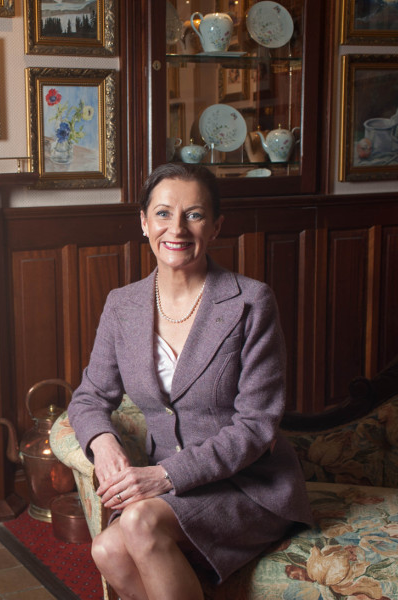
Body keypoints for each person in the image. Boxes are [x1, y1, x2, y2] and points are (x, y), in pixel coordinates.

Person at [67, 163, 313, 600]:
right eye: (163, 213)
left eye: (194, 214)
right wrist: (104, 444)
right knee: (107, 548)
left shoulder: (251, 302)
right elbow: (89, 397)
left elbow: (257, 426)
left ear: (216, 226)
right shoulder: (121, 306)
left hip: (248, 484)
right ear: (143, 223)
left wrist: (164, 475)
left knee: (138, 523)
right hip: (171, 492)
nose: (176, 228)